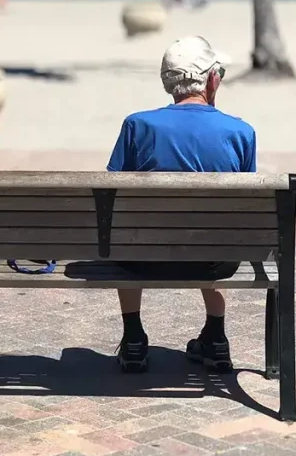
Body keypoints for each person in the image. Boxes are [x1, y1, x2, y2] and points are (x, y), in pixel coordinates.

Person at [106, 35, 257, 374]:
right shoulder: (241, 132)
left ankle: (133, 338)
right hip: (214, 261)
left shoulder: (138, 125)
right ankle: (216, 337)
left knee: (128, 232)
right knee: (217, 229)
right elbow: (245, 208)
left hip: (142, 259)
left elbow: (111, 192)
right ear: (212, 80)